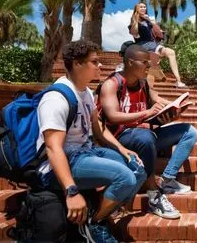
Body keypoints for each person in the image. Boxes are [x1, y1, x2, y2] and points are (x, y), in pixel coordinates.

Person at [38, 40, 146, 242]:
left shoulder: (86, 92)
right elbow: (53, 148)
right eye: (94, 62)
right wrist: (71, 191)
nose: (100, 66)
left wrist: (123, 150)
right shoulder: (56, 98)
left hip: (86, 152)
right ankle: (94, 224)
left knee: (137, 169)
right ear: (77, 64)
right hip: (61, 164)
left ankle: (97, 213)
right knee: (126, 177)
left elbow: (99, 129)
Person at [98, 44, 197, 220]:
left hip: (144, 136)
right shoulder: (111, 84)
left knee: (189, 132)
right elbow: (112, 116)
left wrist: (176, 107)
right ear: (130, 62)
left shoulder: (143, 83)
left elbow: (158, 100)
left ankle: (167, 180)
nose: (148, 66)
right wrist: (145, 114)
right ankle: (154, 195)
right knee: (145, 137)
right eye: (144, 62)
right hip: (119, 140)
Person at [129, 2, 187, 88]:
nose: (143, 8)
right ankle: (152, 72)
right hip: (142, 47)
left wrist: (150, 21)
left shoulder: (148, 21)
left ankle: (178, 81)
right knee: (152, 61)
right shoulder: (133, 23)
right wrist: (135, 20)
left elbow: (158, 32)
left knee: (171, 52)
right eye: (141, 7)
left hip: (154, 45)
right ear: (136, 9)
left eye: (145, 7)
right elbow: (134, 33)